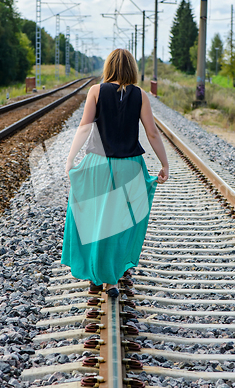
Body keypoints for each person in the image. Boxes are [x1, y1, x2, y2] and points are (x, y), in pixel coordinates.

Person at [61, 48, 169, 298]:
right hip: (130, 167)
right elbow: (152, 133)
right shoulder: (140, 96)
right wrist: (164, 163)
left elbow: (84, 128)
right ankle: (112, 279)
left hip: (98, 164)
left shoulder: (96, 91)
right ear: (131, 69)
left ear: (108, 67)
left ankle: (95, 274)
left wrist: (70, 160)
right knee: (120, 225)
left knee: (92, 220)